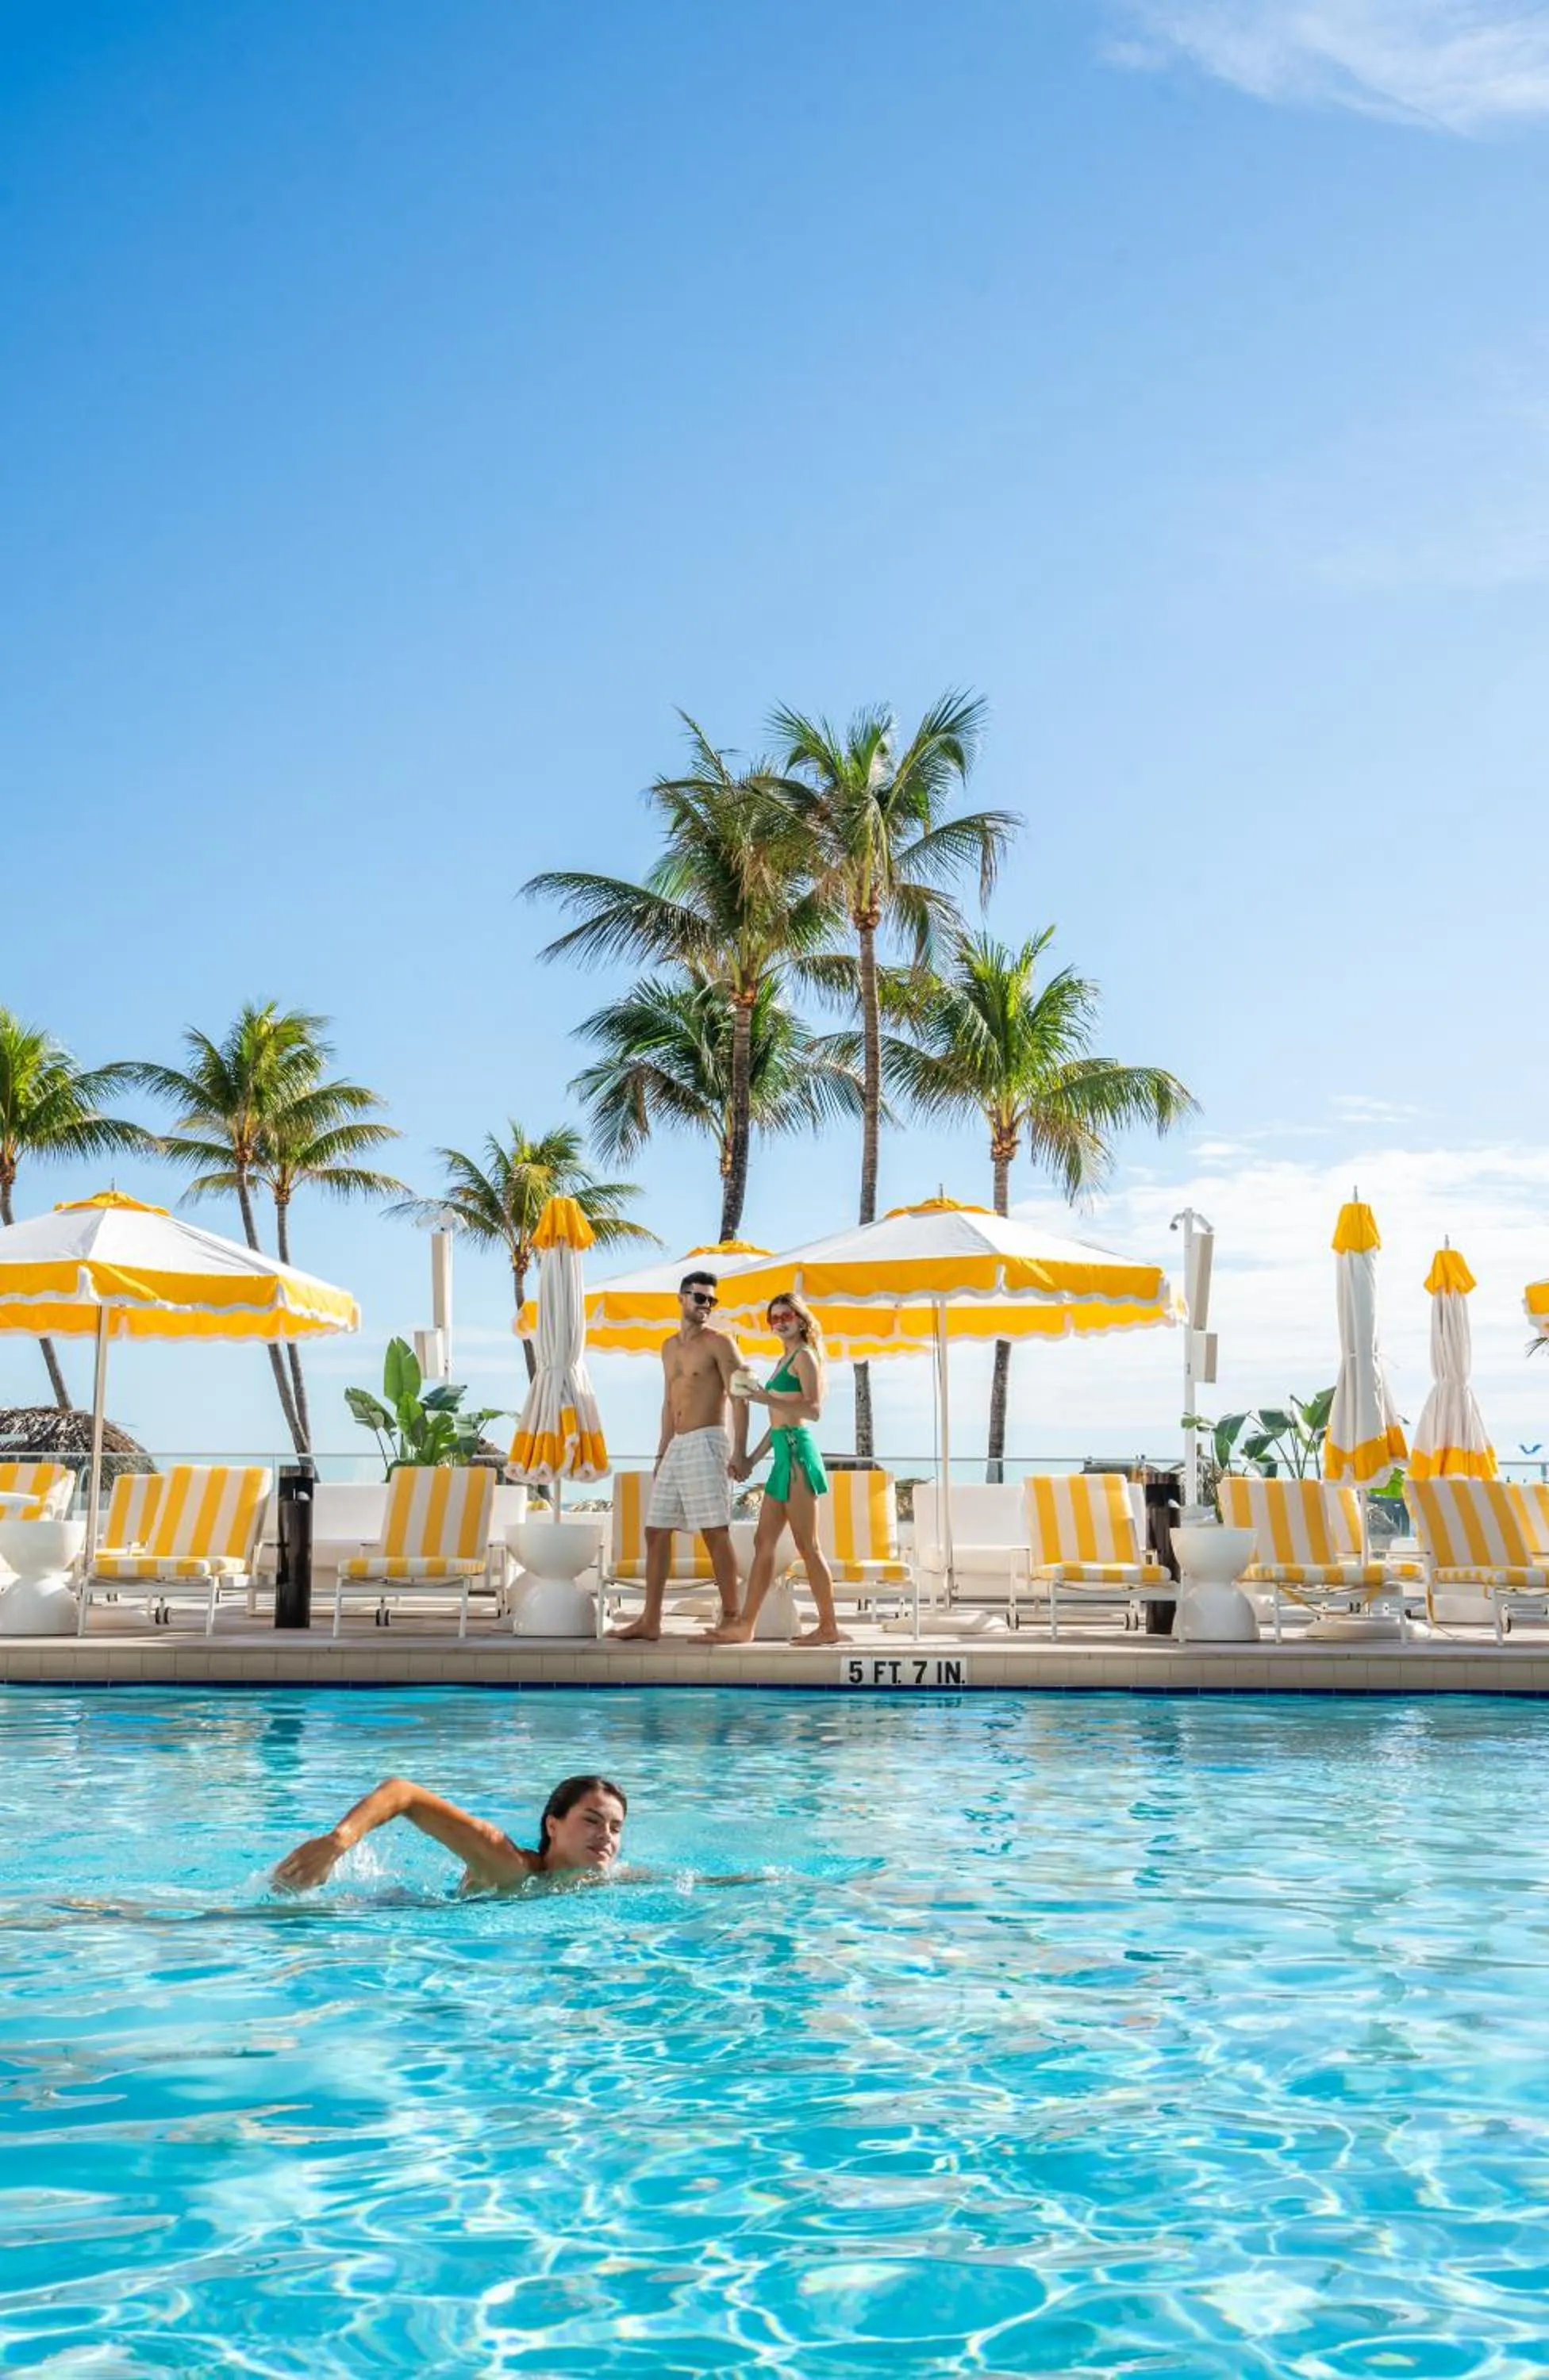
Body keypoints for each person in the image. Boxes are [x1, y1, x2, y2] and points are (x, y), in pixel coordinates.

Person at [610, 1269, 748, 1642]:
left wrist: (741, 1452)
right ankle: (650, 1620)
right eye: (700, 1297)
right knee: (655, 1531)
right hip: (676, 1446)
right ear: (681, 1298)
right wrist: (661, 1452)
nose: (706, 1306)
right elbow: (668, 1401)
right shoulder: (668, 1347)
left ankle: (733, 1620)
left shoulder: (721, 1343)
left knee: (715, 1532)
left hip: (707, 1441)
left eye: (711, 1300)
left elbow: (740, 1398)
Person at [705, 1292, 848, 1647]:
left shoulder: (805, 1357)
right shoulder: (785, 1359)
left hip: (799, 1455)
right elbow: (777, 1421)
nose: (779, 1322)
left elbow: (813, 1411)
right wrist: (752, 1459)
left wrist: (763, 1397)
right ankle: (746, 1625)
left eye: (785, 1315)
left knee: (807, 1545)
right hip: (782, 1457)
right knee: (763, 1541)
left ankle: (828, 1627)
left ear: (801, 1320)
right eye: (774, 1318)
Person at [271, 1772, 627, 1896]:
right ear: (553, 1826)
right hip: (399, 1913)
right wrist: (337, 1843)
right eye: (592, 1820)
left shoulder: (605, 1881)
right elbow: (403, 1793)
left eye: (615, 1827)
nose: (605, 1836)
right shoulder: (509, 1865)